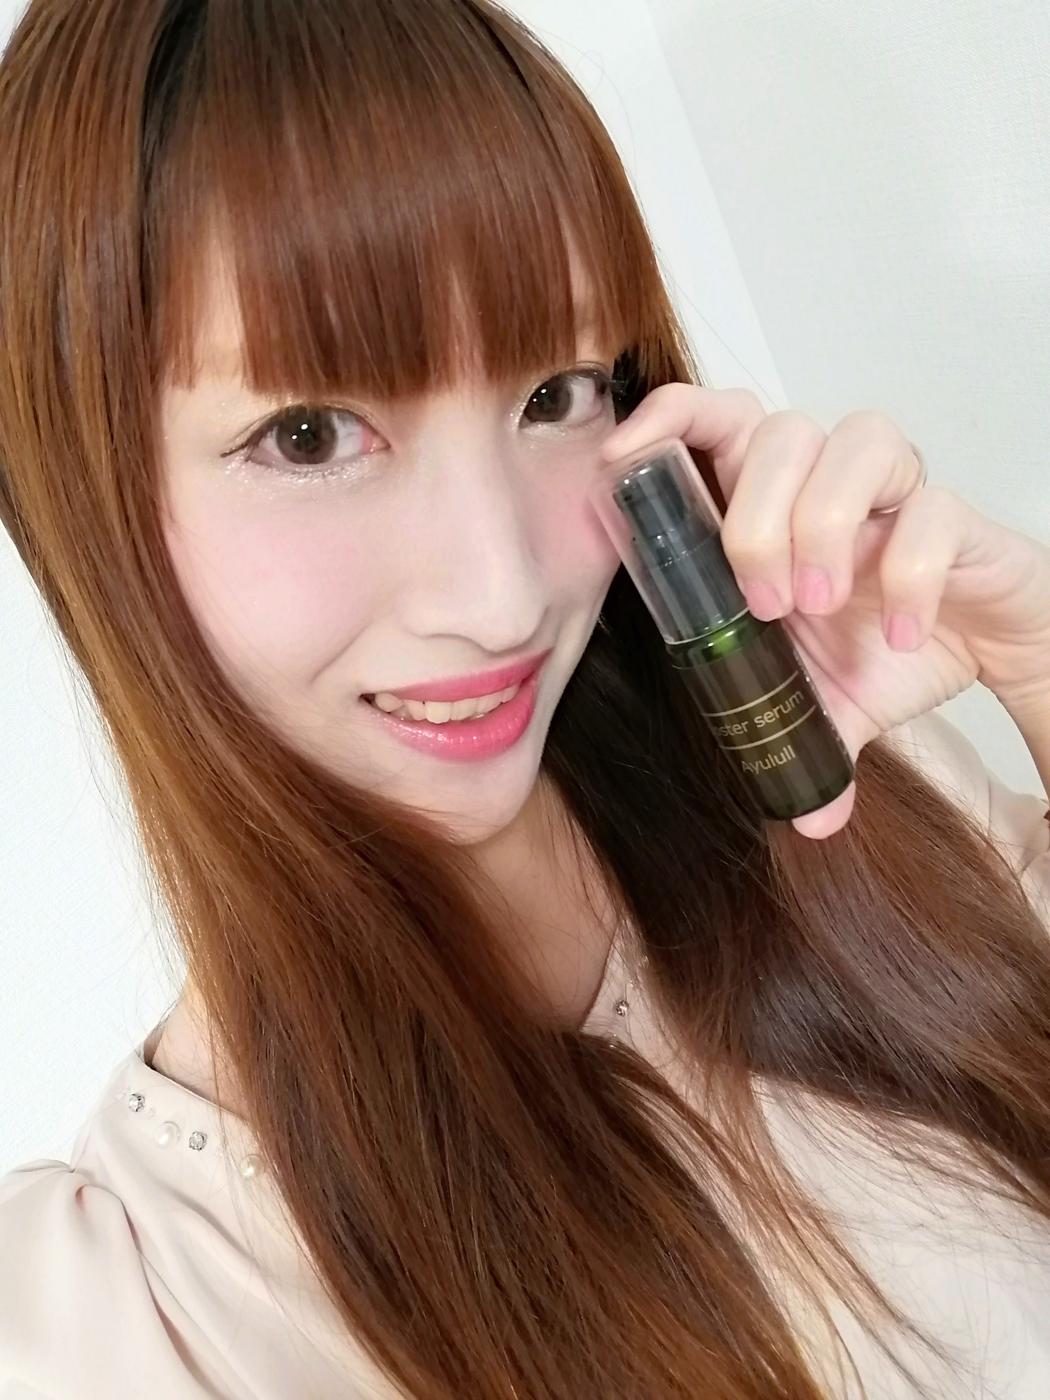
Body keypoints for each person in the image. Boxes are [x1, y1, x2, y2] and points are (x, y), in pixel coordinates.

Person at [1, 1, 1049, 1396]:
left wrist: (1036, 670)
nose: (502, 595)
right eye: (307, 436)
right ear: (82, 498)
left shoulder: (849, 798)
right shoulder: (129, 1320)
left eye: (554, 393)